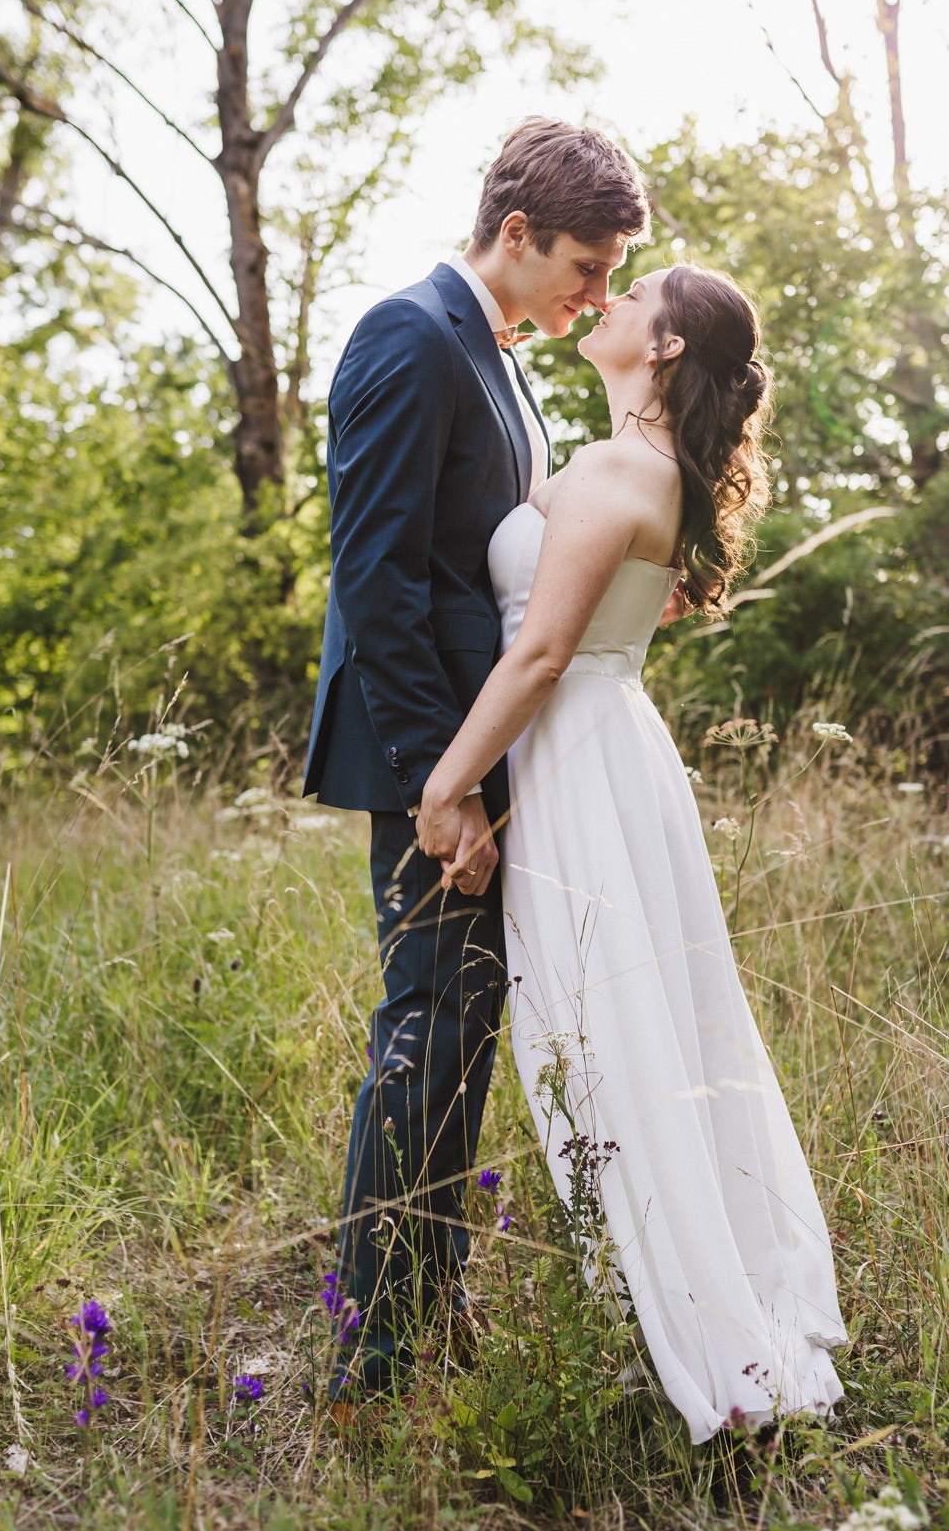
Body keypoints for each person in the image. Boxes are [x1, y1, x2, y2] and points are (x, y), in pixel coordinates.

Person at [417, 263, 846, 1442]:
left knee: (614, 1038)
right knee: (634, 1030)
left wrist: (449, 787)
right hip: (598, 752)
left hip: (581, 761)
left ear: (662, 348)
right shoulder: (634, 468)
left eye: (629, 294)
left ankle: (704, 1333)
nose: (602, 300)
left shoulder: (618, 470)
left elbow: (543, 653)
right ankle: (679, 1293)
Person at [304, 118, 650, 1400]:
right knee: (426, 1028)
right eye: (586, 267)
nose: (595, 295)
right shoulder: (407, 335)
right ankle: (372, 1350)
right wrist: (431, 789)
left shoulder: (497, 361)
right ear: (517, 234)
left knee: (461, 1030)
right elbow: (376, 580)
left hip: (481, 753)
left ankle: (423, 1306)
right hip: (426, 762)